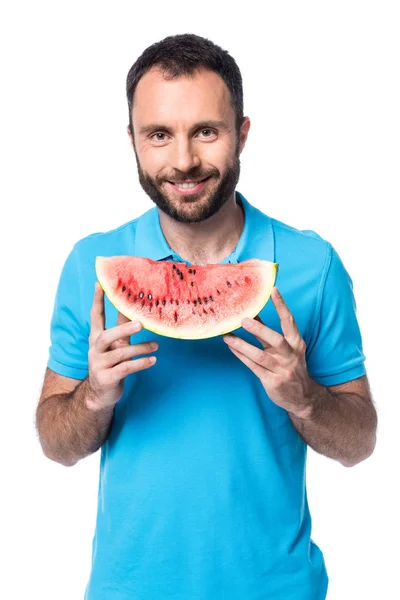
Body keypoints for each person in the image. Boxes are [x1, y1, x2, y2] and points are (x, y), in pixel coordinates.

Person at [35, 33, 377, 600]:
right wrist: (93, 396)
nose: (184, 160)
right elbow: (56, 443)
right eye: (159, 135)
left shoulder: (310, 264)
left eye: (206, 131)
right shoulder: (91, 267)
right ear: (133, 141)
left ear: (242, 133)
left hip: (278, 589)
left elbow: (359, 442)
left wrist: (304, 396)